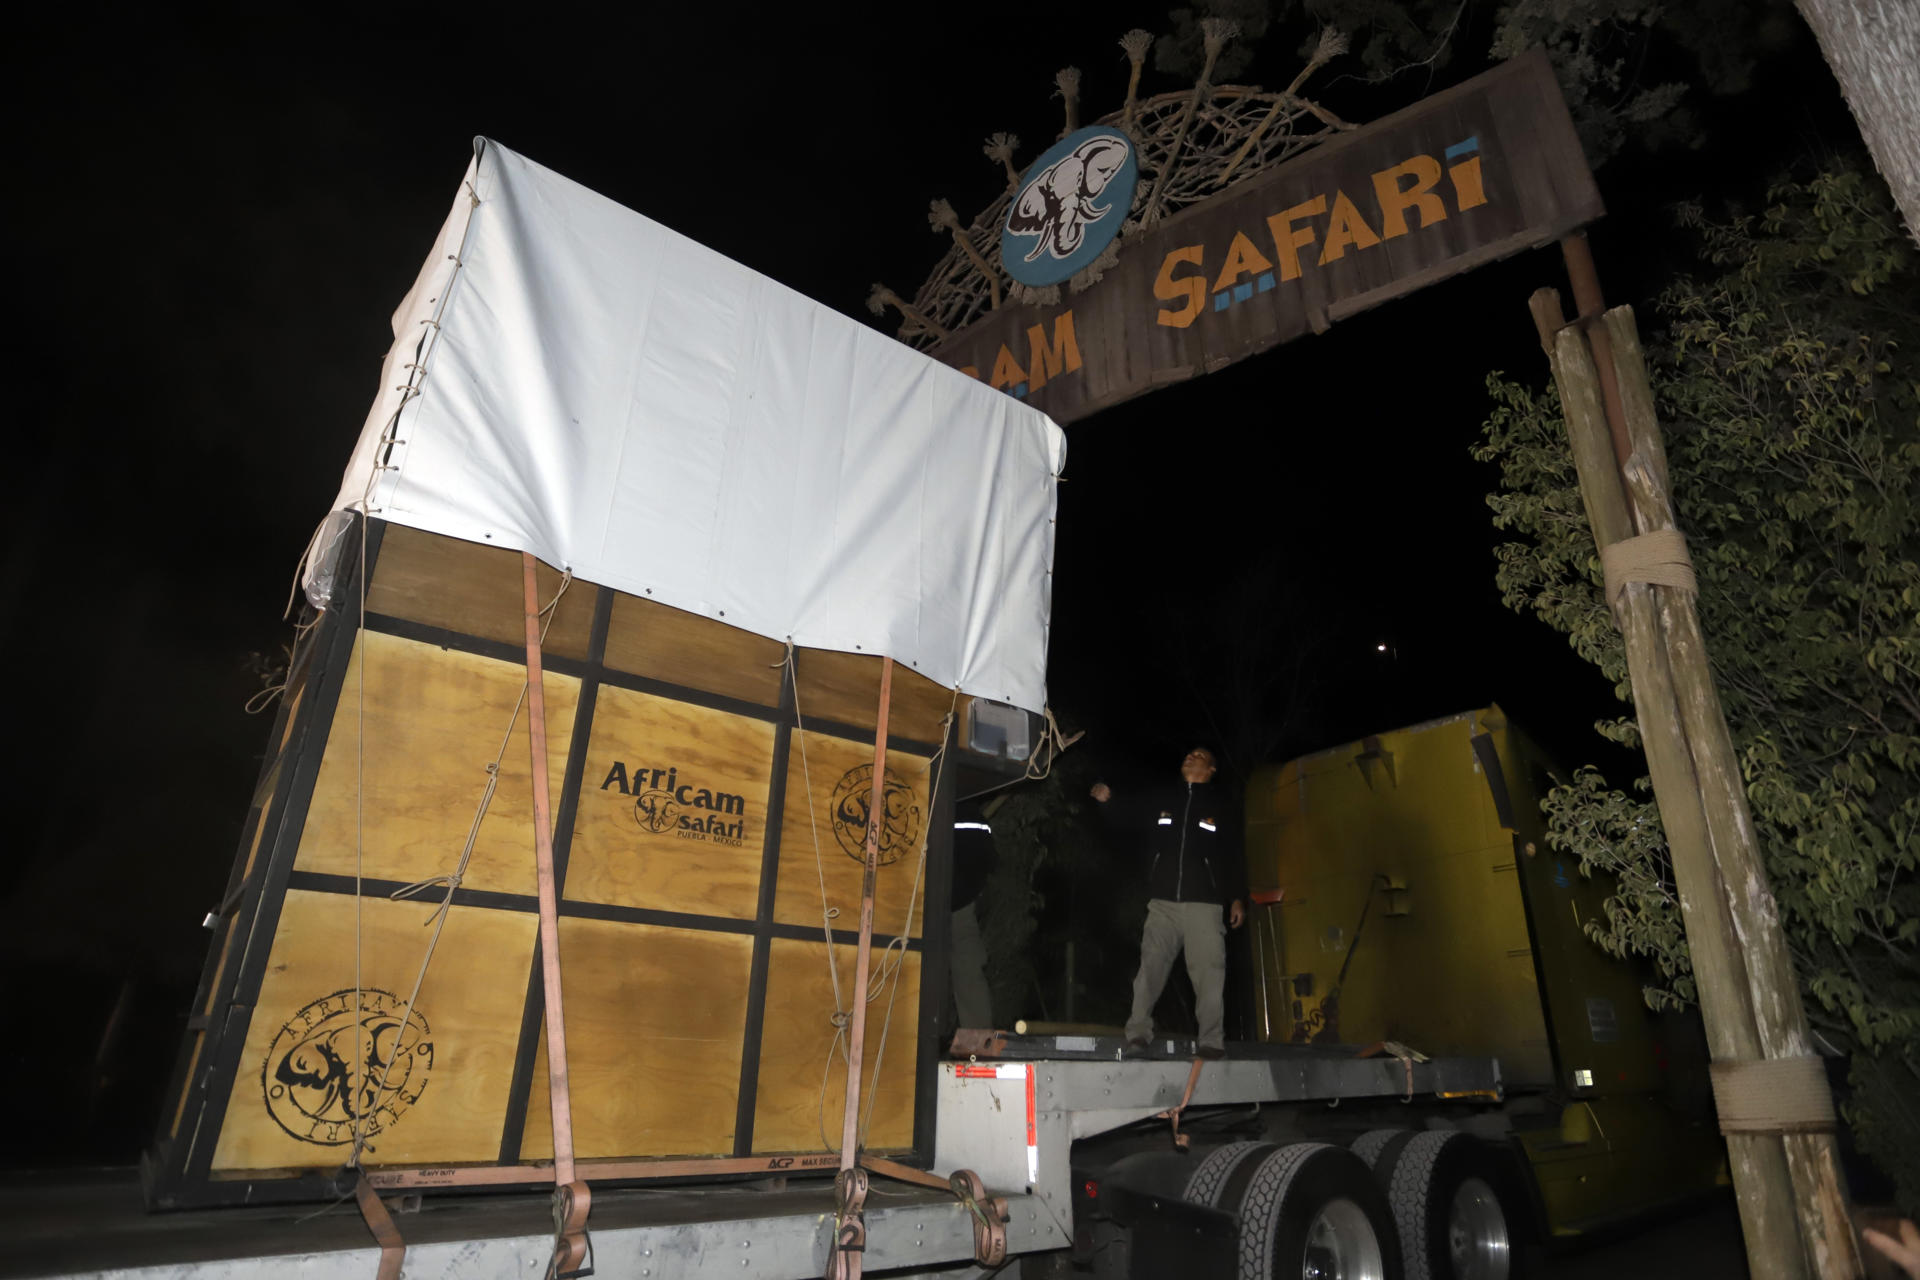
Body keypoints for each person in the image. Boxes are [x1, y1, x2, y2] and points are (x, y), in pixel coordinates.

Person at [1092, 747, 1244, 1058]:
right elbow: (1127, 814)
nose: (1191, 756)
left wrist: (1237, 898)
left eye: (1199, 755)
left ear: (1212, 768)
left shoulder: (1220, 804)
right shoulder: (1163, 798)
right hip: (1162, 904)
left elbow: (1233, 854)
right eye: (1188, 754)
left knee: (1209, 972)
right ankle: (1137, 1035)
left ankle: (1211, 1041)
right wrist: (1108, 801)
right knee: (1150, 967)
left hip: (1205, 905)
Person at [949, 800, 998, 1030]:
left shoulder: (964, 813)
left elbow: (988, 861)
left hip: (957, 906)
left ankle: (977, 1043)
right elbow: (991, 861)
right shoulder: (973, 815)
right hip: (955, 902)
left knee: (967, 966)